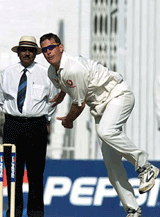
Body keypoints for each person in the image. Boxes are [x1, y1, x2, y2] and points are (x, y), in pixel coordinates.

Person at [39, 33, 160, 217]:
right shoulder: (52, 71)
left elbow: (79, 104)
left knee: (106, 131)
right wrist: (58, 97)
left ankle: (145, 167)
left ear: (61, 47)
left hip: (117, 95)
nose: (48, 52)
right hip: (100, 107)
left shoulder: (73, 68)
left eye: (51, 47)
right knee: (111, 164)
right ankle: (133, 210)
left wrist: (68, 120)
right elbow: (65, 86)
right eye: (44, 50)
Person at [0, 36, 56, 217]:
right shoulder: (7, 72)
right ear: (18, 52)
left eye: (31, 50)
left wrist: (44, 120)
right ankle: (14, 213)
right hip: (12, 125)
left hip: (36, 126)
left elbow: (53, 101)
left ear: (35, 53)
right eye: (23, 49)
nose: (26, 53)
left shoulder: (45, 73)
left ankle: (36, 213)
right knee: (12, 173)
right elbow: (2, 100)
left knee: (35, 173)